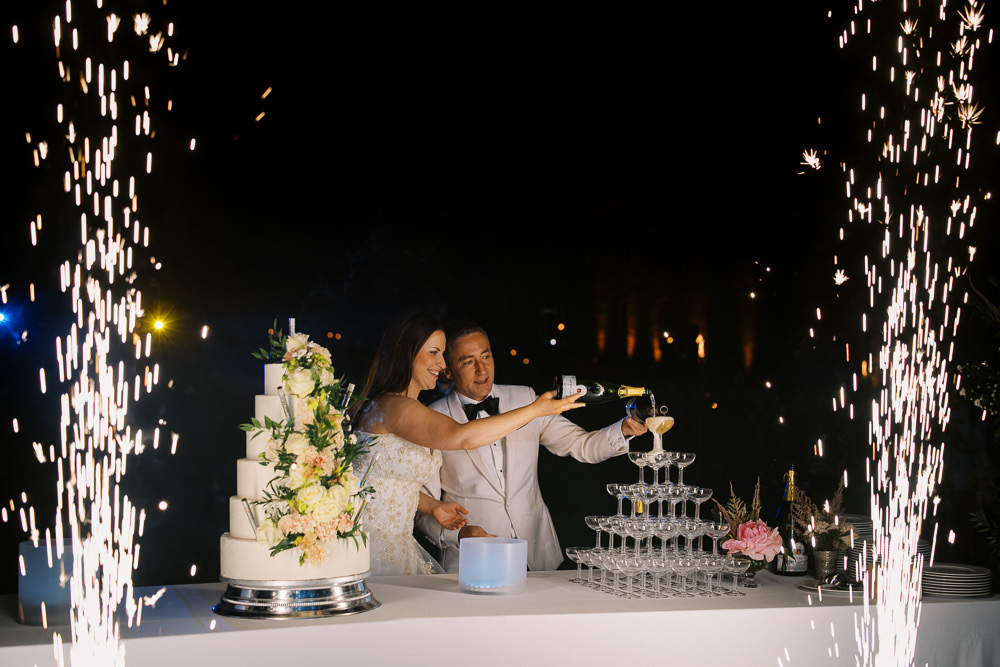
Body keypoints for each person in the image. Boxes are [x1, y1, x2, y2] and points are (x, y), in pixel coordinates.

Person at [353, 313, 583, 575]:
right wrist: (535, 410)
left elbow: (383, 483)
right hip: (372, 546)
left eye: (442, 354)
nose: (441, 364)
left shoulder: (401, 407)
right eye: (434, 353)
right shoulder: (393, 406)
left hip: (397, 545)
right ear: (407, 354)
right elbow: (462, 437)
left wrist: (433, 506)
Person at [416, 323, 647, 572]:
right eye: (467, 361)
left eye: (486, 356)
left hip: (538, 556)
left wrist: (623, 429)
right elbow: (422, 506)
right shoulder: (433, 418)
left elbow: (582, 445)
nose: (481, 369)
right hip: (472, 562)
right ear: (448, 371)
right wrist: (460, 535)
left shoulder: (526, 399)